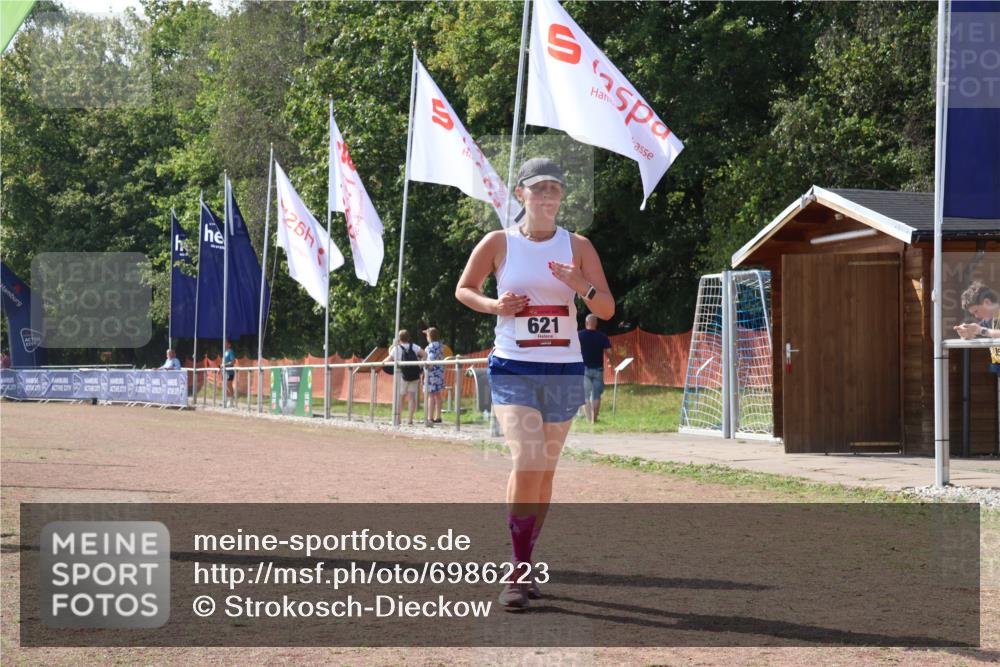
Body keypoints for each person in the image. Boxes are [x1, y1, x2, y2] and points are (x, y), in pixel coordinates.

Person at [455, 157, 613, 610]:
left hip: (563, 369)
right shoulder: (498, 242)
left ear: (562, 198)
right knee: (526, 462)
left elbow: (606, 309)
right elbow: (464, 289)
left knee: (544, 474)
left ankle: (525, 562)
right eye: (538, 189)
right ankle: (518, 571)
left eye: (555, 190)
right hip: (513, 366)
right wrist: (495, 305)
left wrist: (580, 283)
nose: (547, 197)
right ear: (520, 194)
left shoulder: (578, 245)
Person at [954, 280, 1000, 375]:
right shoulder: (987, 321)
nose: (976, 316)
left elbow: (982, 330)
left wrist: (982, 331)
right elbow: (977, 330)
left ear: (987, 302)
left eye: (976, 311)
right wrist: (966, 333)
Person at [386, 329, 425, 425]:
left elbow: (387, 360)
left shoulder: (396, 348)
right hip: (414, 374)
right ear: (408, 338)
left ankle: (398, 419)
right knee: (412, 397)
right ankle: (410, 420)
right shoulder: (414, 346)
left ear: (399, 339)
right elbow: (425, 355)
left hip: (402, 374)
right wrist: (419, 365)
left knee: (401, 397)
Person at [578, 313, 611, 422]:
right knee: (596, 395)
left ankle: (588, 419)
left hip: (584, 369)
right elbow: (609, 352)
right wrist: (611, 361)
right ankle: (594, 420)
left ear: (586, 323)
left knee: (585, 395)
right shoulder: (602, 336)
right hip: (598, 369)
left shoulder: (579, 335)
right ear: (596, 323)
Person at [423, 327, 446, 425]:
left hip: (432, 373)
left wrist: (426, 368)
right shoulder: (441, 346)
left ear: (429, 336)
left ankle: (430, 417)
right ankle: (438, 416)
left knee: (431, 395)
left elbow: (431, 359)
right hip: (440, 372)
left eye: (427, 335)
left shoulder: (430, 347)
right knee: (438, 395)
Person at [222, 340, 236, 406]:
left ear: (229, 345)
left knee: (229, 385)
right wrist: (220, 368)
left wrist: (225, 365)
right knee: (225, 385)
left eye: (226, 343)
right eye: (224, 343)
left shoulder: (230, 351)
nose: (224, 344)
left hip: (230, 372)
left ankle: (232, 400)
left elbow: (233, 361)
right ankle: (227, 400)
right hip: (224, 372)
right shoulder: (225, 352)